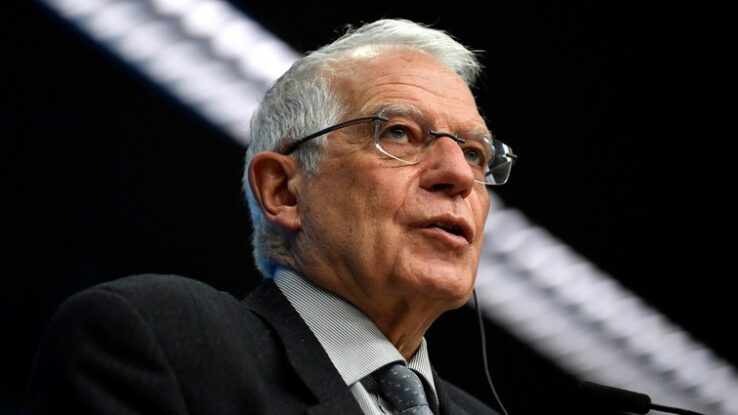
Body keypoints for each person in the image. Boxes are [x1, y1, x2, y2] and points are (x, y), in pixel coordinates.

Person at [29, 18, 517, 414]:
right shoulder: (163, 342)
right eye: (399, 133)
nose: (458, 174)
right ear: (283, 191)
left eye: (474, 154)